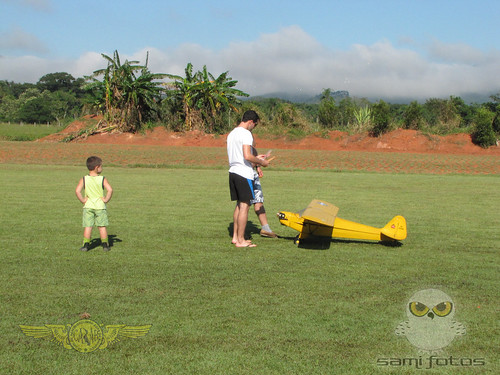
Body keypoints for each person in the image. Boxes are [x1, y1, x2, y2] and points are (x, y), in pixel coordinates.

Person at [227, 110, 270, 247]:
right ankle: (241, 240)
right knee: (245, 206)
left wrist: (256, 159)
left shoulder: (232, 133)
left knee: (239, 206)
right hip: (243, 173)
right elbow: (247, 155)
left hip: (232, 172)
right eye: (255, 125)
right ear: (251, 122)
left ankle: (235, 237)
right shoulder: (246, 134)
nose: (254, 128)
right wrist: (261, 162)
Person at [75, 156, 113, 252]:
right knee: (102, 226)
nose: (102, 168)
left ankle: (86, 245)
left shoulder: (84, 179)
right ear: (97, 167)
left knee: (88, 226)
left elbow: (77, 191)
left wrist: (83, 200)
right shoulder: (102, 179)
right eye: (101, 166)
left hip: (88, 206)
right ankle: (105, 245)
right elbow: (110, 190)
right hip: (100, 206)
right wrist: (106, 200)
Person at [251, 146, 277, 238]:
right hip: (246, 174)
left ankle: (266, 229)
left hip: (251, 172)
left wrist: (257, 166)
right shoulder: (243, 135)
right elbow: (246, 157)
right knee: (243, 204)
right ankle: (239, 235)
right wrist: (260, 161)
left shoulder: (248, 135)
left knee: (258, 200)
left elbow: (251, 155)